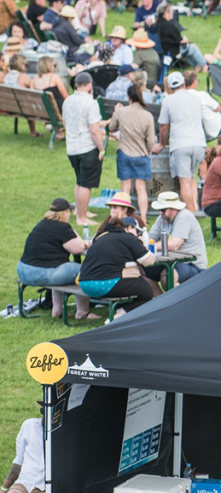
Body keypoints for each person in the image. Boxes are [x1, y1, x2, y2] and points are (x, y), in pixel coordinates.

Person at [17, 198, 98, 320]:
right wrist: (74, 232)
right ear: (66, 212)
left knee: (61, 269)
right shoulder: (62, 228)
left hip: (23, 270)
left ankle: (57, 311)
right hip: (41, 273)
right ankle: (82, 313)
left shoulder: (42, 224)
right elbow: (79, 248)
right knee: (85, 271)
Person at [78, 216, 158, 314]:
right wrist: (142, 246)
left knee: (126, 285)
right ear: (129, 228)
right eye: (137, 231)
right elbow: (148, 260)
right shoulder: (129, 238)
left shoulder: (100, 237)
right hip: (107, 284)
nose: (137, 234)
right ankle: (120, 315)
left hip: (85, 284)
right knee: (146, 291)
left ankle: (119, 310)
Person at [156, 71, 206, 212]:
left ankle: (190, 213)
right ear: (184, 83)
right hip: (199, 143)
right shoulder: (196, 99)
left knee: (184, 181)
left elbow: (164, 126)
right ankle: (195, 207)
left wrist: (161, 143)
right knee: (191, 178)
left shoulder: (168, 101)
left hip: (181, 144)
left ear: (171, 88)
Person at [108, 84, 156, 220]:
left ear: (128, 97)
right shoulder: (147, 115)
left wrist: (115, 111)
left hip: (124, 152)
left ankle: (123, 217)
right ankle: (144, 218)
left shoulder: (121, 112)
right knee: (141, 189)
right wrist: (148, 151)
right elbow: (151, 140)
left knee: (125, 189)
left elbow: (111, 128)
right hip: (141, 154)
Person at [63, 72, 104, 226]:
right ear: (89, 84)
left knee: (80, 181)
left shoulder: (67, 101)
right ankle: (81, 218)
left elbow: (65, 123)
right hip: (86, 148)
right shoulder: (90, 102)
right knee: (86, 183)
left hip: (72, 148)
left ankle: (80, 211)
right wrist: (102, 149)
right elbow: (94, 130)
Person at [0, 403, 46, 493]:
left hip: (46, 486)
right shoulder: (28, 426)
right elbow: (18, 461)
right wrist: (4, 488)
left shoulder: (62, 433)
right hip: (25, 480)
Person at [148, 192, 207, 287]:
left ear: (173, 209)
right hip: (172, 261)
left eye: (163, 209)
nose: (160, 212)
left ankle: (180, 301)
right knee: (142, 271)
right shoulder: (162, 218)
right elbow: (150, 238)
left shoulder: (184, 216)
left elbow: (175, 245)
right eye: (159, 209)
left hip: (192, 263)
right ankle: (162, 300)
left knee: (168, 276)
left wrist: (150, 246)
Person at [156, 4, 205, 72]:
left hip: (162, 50)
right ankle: (204, 65)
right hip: (172, 51)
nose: (172, 13)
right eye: (171, 11)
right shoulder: (168, 26)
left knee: (187, 50)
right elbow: (180, 40)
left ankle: (196, 66)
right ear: (165, 13)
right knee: (192, 47)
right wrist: (185, 40)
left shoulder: (157, 24)